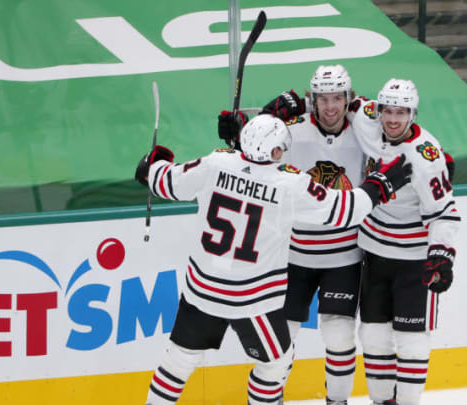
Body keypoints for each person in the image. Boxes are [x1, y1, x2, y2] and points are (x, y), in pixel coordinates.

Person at [135, 114, 412, 405]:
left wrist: (154, 163)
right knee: (277, 362)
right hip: (252, 300)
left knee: (178, 362)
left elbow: (163, 182)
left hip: (202, 292)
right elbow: (343, 211)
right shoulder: (289, 184)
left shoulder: (215, 163)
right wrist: (379, 186)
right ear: (277, 151)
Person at [221, 65, 367, 405]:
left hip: (343, 256)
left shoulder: (366, 129)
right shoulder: (291, 130)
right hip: (293, 254)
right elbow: (254, 152)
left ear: (348, 98)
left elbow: (395, 121)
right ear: (312, 100)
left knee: (340, 335)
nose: (330, 107)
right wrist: (239, 130)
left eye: (337, 99)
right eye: (322, 99)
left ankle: (337, 402)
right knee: (281, 338)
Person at [347, 79, 461, 405]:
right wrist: (301, 105)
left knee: (411, 341)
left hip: (413, 260)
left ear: (412, 113)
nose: (393, 119)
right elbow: (348, 104)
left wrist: (442, 255)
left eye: (402, 112)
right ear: (379, 110)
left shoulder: (426, 155)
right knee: (372, 336)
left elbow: (445, 212)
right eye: (388, 111)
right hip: (373, 253)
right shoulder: (368, 117)